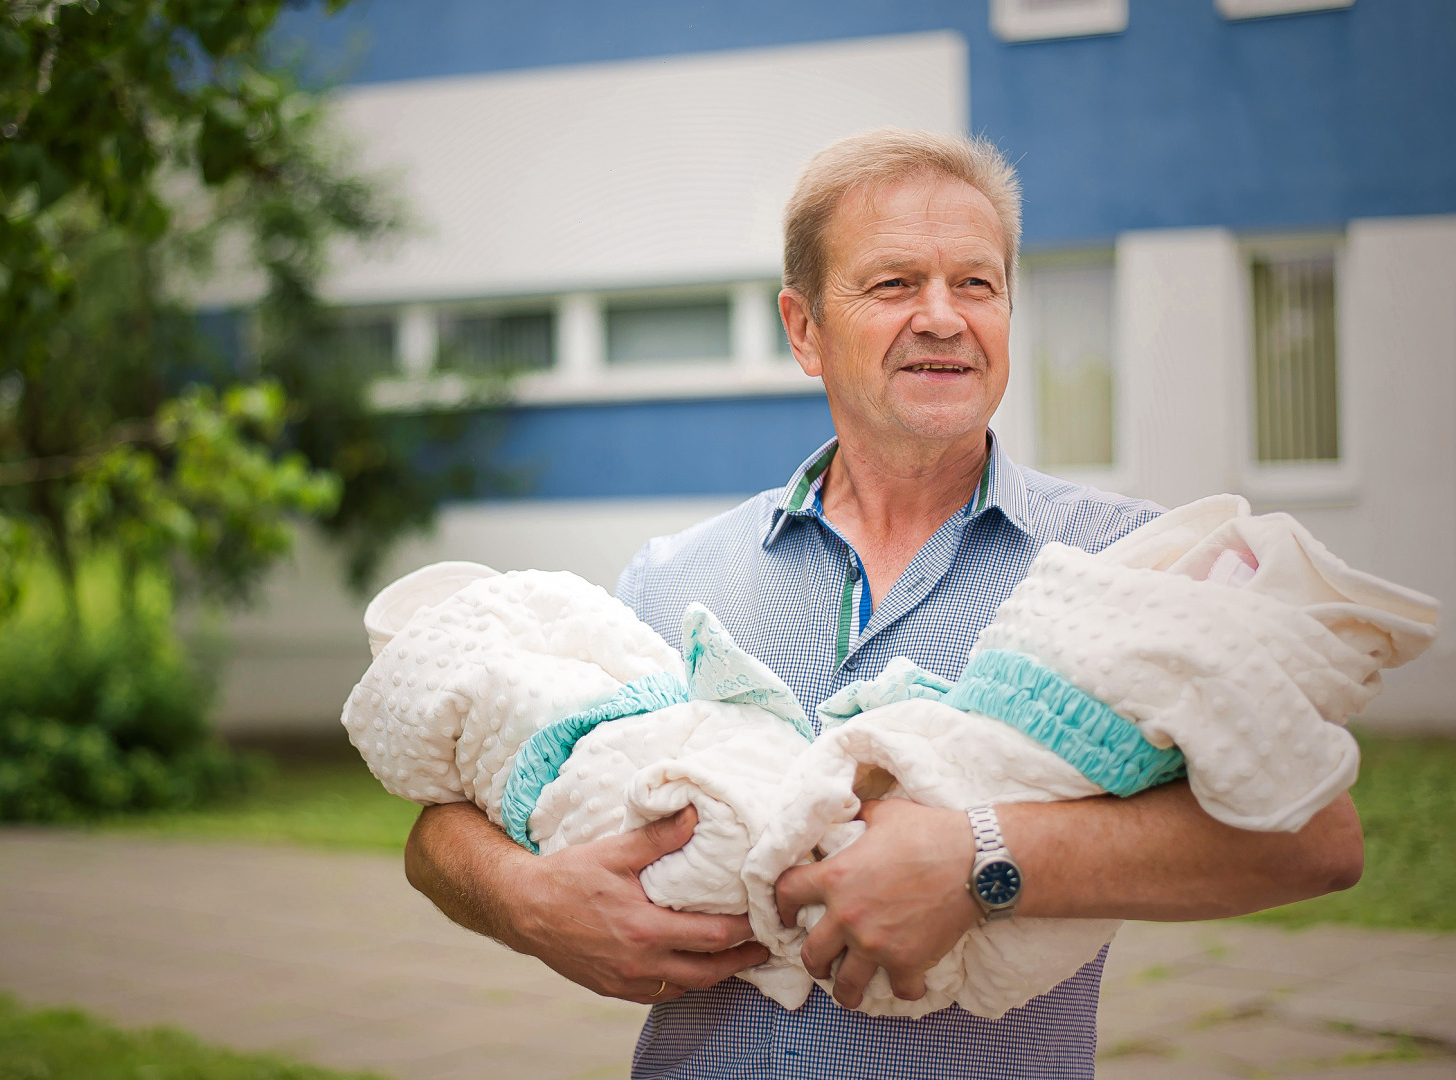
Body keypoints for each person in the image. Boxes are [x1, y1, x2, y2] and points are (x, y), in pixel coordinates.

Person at [402, 128, 1365, 1079]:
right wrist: (526, 901)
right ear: (804, 328)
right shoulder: (677, 577)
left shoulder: (1127, 561)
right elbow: (443, 824)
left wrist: (980, 857)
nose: (943, 317)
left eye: (976, 284)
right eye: (895, 283)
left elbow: (1314, 839)